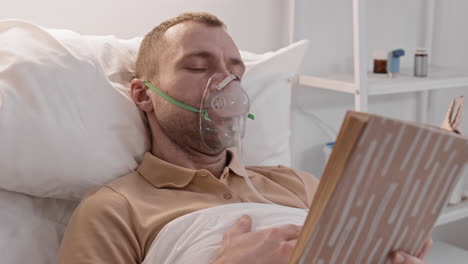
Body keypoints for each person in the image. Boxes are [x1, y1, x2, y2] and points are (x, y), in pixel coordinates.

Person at [56, 12, 432, 264]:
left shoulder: (296, 182)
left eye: (235, 70)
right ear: (144, 94)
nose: (226, 82)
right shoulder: (115, 209)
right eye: (198, 66)